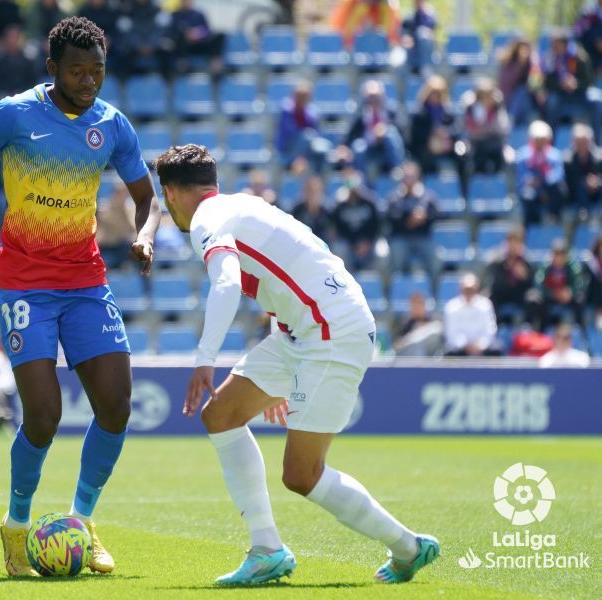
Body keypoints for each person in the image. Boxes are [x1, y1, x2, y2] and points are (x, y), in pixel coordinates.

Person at [153, 143, 438, 585]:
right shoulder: (244, 204)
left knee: (301, 475)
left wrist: (204, 360)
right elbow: (291, 270)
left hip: (329, 331)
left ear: (170, 194)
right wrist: (278, 366)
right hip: (303, 328)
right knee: (222, 414)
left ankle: (409, 547)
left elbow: (227, 284)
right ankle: (266, 549)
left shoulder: (206, 220)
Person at [0, 17, 160, 577]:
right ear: (52, 69)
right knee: (43, 416)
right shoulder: (13, 114)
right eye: (77, 71)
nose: (89, 81)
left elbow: (146, 196)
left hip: (86, 280)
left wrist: (144, 235)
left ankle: (82, 525)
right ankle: (16, 529)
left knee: (115, 404)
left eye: (97, 71)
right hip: (25, 283)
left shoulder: (112, 124)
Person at [387, 161, 438, 279]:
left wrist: (424, 217)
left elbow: (435, 215)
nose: (408, 179)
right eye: (405, 176)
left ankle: (434, 292)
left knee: (435, 259)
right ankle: (396, 290)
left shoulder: (428, 196)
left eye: (411, 176)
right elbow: (392, 218)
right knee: (396, 255)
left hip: (422, 238)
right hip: (401, 238)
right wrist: (410, 220)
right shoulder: (394, 197)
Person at [344, 80, 405, 179]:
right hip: (369, 149)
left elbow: (402, 132)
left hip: (387, 149)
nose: (373, 101)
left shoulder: (392, 112)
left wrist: (383, 131)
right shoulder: (360, 114)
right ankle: (361, 181)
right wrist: (344, 147)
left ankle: (398, 170)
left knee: (391, 133)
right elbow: (351, 135)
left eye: (376, 97)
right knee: (358, 146)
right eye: (370, 98)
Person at [515, 120, 566, 225]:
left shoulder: (555, 155)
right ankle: (531, 227)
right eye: (537, 139)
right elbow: (521, 176)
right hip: (532, 190)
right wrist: (534, 184)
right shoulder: (523, 155)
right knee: (527, 196)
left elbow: (558, 175)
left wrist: (543, 181)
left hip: (549, 190)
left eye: (543, 139)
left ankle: (554, 219)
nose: (540, 142)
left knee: (559, 190)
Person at [539, 31, 593, 128]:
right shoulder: (550, 58)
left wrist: (576, 84)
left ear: (564, 44)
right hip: (559, 93)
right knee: (551, 103)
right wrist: (561, 84)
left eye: (556, 43)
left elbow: (588, 81)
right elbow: (547, 82)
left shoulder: (580, 57)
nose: (553, 46)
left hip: (579, 93)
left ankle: (596, 139)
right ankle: (551, 136)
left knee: (597, 102)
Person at [483, 225, 535, 325]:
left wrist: (525, 277)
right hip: (501, 293)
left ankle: (528, 328)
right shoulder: (496, 258)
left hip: (519, 293)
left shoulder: (526, 260)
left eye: (518, 242)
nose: (515, 245)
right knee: (487, 300)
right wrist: (507, 268)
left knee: (533, 299)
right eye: (513, 241)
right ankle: (494, 326)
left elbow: (532, 283)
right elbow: (494, 281)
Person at [332, 168, 381, 272]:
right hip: (349, 243)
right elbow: (339, 229)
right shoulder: (340, 205)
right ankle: (345, 280)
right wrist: (354, 244)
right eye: (350, 185)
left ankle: (372, 282)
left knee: (381, 253)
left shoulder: (370, 202)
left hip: (369, 242)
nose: (353, 189)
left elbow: (377, 226)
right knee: (339, 248)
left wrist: (367, 242)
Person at [275, 81, 329, 176]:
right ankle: (297, 164)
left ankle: (318, 177)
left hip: (308, 148)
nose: (302, 99)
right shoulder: (286, 110)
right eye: (299, 96)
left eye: (305, 96)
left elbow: (317, 133)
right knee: (306, 136)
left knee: (323, 147)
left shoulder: (313, 111)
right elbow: (289, 132)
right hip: (289, 148)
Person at [408, 75, 459, 175]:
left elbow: (457, 129)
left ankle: (464, 187)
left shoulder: (448, 112)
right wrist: (432, 134)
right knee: (425, 158)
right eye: (434, 93)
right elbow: (414, 135)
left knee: (462, 153)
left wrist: (447, 134)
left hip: (445, 147)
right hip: (425, 148)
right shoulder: (420, 112)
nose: (436, 96)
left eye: (439, 93)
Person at [443, 272, 501, 356]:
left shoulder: (485, 305)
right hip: (460, 349)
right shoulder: (452, 307)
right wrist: (465, 345)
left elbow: (490, 330)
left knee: (497, 349)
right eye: (466, 289)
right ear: (460, 289)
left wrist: (481, 345)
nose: (469, 292)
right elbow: (450, 333)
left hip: (482, 348)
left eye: (471, 289)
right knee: (450, 352)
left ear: (477, 289)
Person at [461, 78, 510, 175]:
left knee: (498, 154)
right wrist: (482, 129)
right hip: (476, 143)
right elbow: (469, 129)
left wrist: (483, 129)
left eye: (489, 95)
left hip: (494, 141)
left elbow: (502, 127)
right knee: (477, 157)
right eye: (484, 96)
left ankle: (497, 181)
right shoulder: (470, 109)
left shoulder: (497, 107)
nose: (487, 99)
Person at [534, 240, 586, 328]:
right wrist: (552, 293)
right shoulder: (545, 266)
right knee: (537, 300)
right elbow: (538, 283)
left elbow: (580, 282)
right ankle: (542, 329)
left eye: (562, 255)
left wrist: (571, 292)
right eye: (556, 254)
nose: (559, 258)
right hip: (550, 297)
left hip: (567, 297)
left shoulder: (573, 266)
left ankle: (580, 328)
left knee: (580, 299)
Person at [167, 0, 225, 75]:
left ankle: (215, 62)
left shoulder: (199, 15)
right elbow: (170, 33)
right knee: (180, 37)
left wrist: (197, 34)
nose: (186, 2)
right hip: (184, 47)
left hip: (199, 44)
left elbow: (207, 31)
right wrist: (186, 35)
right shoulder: (175, 16)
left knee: (219, 35)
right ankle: (182, 63)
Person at [0, 25, 40, 99]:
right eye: (10, 37)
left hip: (24, 94)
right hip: (3, 94)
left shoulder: (28, 59)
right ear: (5, 39)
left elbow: (32, 81)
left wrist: (20, 92)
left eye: (16, 37)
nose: (13, 40)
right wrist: (8, 92)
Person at [496, 38, 539, 126]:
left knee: (523, 92)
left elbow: (535, 85)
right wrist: (520, 65)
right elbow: (507, 84)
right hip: (509, 101)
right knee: (521, 91)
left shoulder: (532, 63)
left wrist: (535, 64)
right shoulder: (507, 63)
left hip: (529, 102)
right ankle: (512, 120)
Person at [563, 123, 602, 218]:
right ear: (573, 143)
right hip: (576, 195)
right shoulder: (567, 160)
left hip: (597, 192)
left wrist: (597, 181)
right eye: (578, 142)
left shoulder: (599, 157)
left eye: (584, 142)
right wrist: (585, 182)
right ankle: (584, 215)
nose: (581, 145)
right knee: (581, 188)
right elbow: (569, 182)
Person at [96, 182, 137, 270]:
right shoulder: (105, 208)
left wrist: (124, 210)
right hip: (106, 245)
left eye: (125, 193)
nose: (121, 196)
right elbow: (112, 224)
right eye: (118, 192)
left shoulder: (130, 208)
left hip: (122, 246)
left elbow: (133, 227)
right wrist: (118, 208)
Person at [394, 291, 442, 356]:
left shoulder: (431, 321)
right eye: (414, 305)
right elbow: (398, 345)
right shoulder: (406, 324)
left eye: (420, 304)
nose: (417, 308)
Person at [289, 175, 332, 243]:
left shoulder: (326, 211)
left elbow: (331, 234)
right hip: (302, 244)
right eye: (310, 190)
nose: (313, 194)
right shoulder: (297, 210)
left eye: (316, 191)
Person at [400, 0, 436, 73]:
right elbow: (404, 33)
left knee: (423, 35)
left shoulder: (429, 15)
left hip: (425, 52)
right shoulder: (409, 16)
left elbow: (430, 32)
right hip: (411, 50)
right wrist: (406, 38)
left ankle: (426, 69)